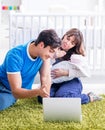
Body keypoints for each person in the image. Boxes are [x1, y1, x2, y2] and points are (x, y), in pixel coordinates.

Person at [0, 29, 61, 111]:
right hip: (3, 83)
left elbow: (45, 77)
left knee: (2, 103)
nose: (51, 55)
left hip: (9, 92)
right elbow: (16, 90)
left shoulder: (43, 55)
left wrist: (46, 100)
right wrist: (37, 92)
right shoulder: (15, 55)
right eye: (51, 51)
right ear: (41, 45)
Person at [38, 28, 102, 104]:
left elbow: (85, 72)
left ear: (74, 46)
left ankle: (89, 97)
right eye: (68, 39)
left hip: (70, 81)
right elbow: (44, 65)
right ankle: (62, 96)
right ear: (64, 36)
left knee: (63, 97)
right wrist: (54, 56)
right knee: (42, 98)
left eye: (72, 43)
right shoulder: (52, 47)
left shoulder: (75, 56)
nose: (67, 43)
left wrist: (66, 72)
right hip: (54, 82)